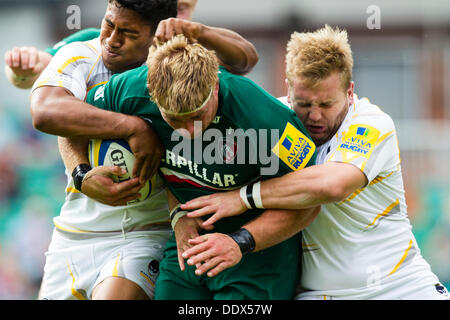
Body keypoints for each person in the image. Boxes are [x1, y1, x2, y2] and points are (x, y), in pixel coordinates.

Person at [180, 25, 450, 300]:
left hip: (399, 288)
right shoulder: (273, 120)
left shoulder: (371, 123)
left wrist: (242, 197)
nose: (315, 116)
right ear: (288, 88)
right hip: (317, 294)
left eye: (326, 104)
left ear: (350, 91)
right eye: (304, 104)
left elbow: (332, 185)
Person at [30, 0, 258, 300]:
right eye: (108, 25)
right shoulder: (81, 55)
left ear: (154, 37)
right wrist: (130, 131)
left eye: (128, 33)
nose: (111, 40)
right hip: (74, 233)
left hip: (146, 232)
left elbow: (245, 60)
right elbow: (46, 112)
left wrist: (197, 31)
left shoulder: (175, 68)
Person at [84, 34, 319, 299]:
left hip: (257, 255)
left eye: (196, 117)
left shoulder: (264, 118)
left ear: (215, 87)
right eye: (173, 120)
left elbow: (309, 201)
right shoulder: (133, 88)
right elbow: (66, 116)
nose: (186, 133)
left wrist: (240, 241)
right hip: (188, 246)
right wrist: (80, 172)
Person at [4, 0, 200, 89]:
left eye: (181, 9)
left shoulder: (199, 59)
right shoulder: (93, 42)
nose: (173, 20)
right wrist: (22, 71)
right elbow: (35, 70)